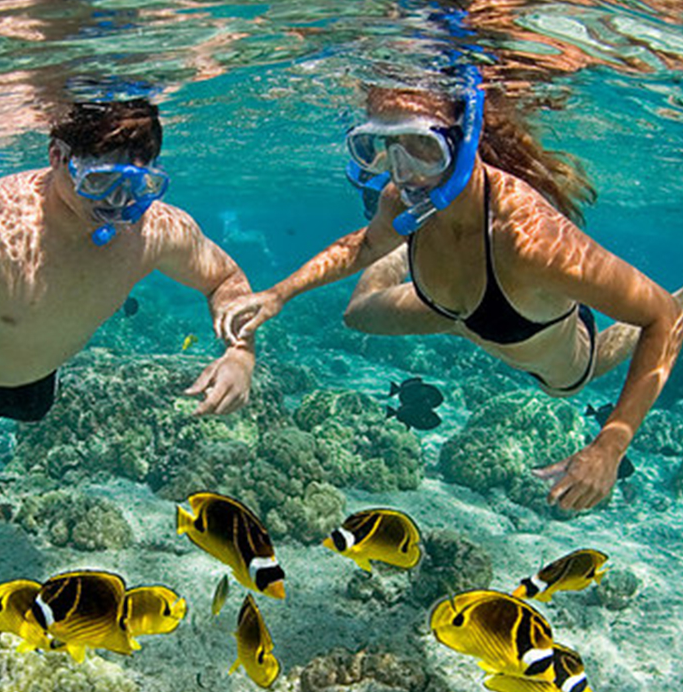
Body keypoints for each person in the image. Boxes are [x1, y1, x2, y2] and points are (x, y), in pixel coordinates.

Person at [219, 70, 682, 514]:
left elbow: (659, 318)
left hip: (530, 330)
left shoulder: (530, 241)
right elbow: (362, 245)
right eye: (385, 146)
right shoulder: (401, 199)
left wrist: (611, 444)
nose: (403, 172)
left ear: (464, 141)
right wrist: (281, 292)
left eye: (423, 146)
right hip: (452, 309)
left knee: (577, 376)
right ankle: (419, 260)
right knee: (357, 314)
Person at [0, 99, 256, 569]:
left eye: (137, 187)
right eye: (99, 182)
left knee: (34, 405)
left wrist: (240, 353)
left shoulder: (154, 229)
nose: (116, 206)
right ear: (57, 157)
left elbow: (225, 280)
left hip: (34, 388)